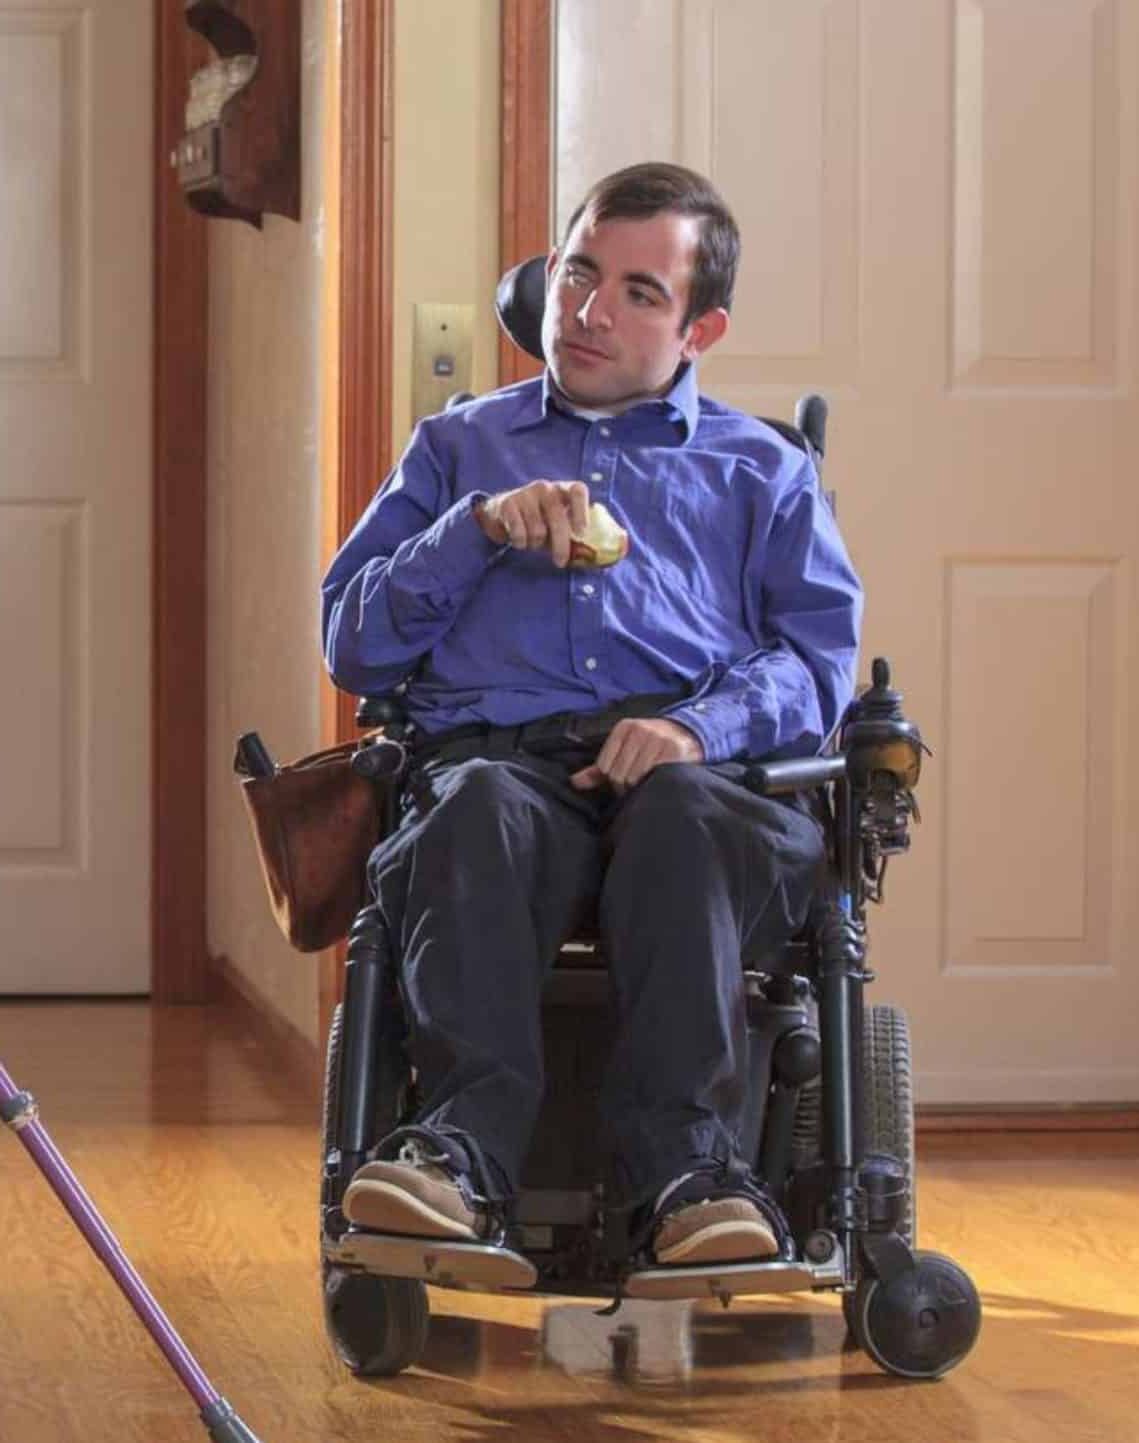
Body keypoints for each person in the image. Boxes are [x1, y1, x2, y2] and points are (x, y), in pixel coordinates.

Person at [318, 161, 861, 1268]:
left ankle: (691, 1175)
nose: (588, 312)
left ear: (699, 327)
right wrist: (471, 532)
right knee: (469, 807)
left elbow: (817, 669)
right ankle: (458, 1159)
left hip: (702, 778)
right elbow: (354, 643)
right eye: (575, 276)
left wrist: (698, 728)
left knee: (682, 818)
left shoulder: (764, 473)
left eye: (636, 292)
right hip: (501, 763)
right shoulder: (457, 451)